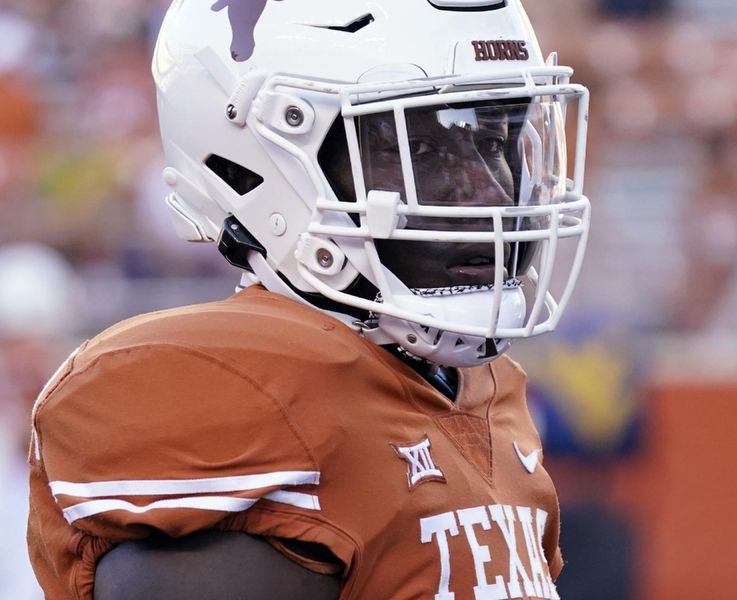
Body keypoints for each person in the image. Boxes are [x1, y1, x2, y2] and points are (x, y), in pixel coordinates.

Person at [27, 0, 591, 598]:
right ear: (253, 162)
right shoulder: (233, 387)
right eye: (419, 150)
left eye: (496, 139)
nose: (489, 189)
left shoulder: (487, 387)